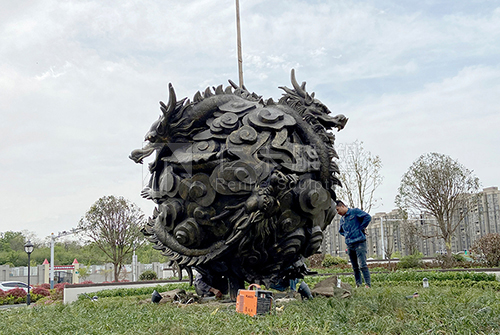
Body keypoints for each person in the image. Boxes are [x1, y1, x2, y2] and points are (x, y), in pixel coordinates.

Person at [336, 200, 372, 288]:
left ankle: (367, 284)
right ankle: (358, 284)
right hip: (349, 244)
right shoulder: (342, 219)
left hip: (359, 242)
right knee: (355, 266)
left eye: (338, 210)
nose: (338, 212)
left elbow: (367, 217)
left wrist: (361, 228)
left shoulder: (355, 212)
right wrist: (346, 235)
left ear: (343, 206)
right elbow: (341, 231)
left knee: (362, 264)